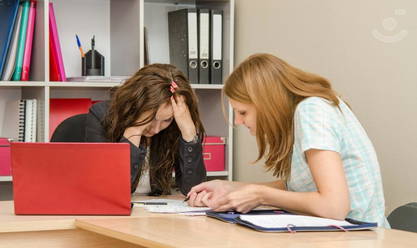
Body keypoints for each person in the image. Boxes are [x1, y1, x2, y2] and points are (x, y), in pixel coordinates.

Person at [188, 53, 389, 227]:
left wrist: (260, 195)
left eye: (243, 112)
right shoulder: (305, 112)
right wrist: (233, 188)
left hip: (359, 243)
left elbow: (334, 207)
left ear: (266, 103)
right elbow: (298, 189)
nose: (238, 121)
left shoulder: (312, 111)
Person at [54, 63, 206, 195]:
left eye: (166, 119)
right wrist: (134, 131)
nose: (156, 129)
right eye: (151, 119)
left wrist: (189, 133)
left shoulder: (172, 128)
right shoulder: (101, 117)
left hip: (150, 216)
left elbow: (193, 190)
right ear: (135, 106)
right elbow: (111, 191)